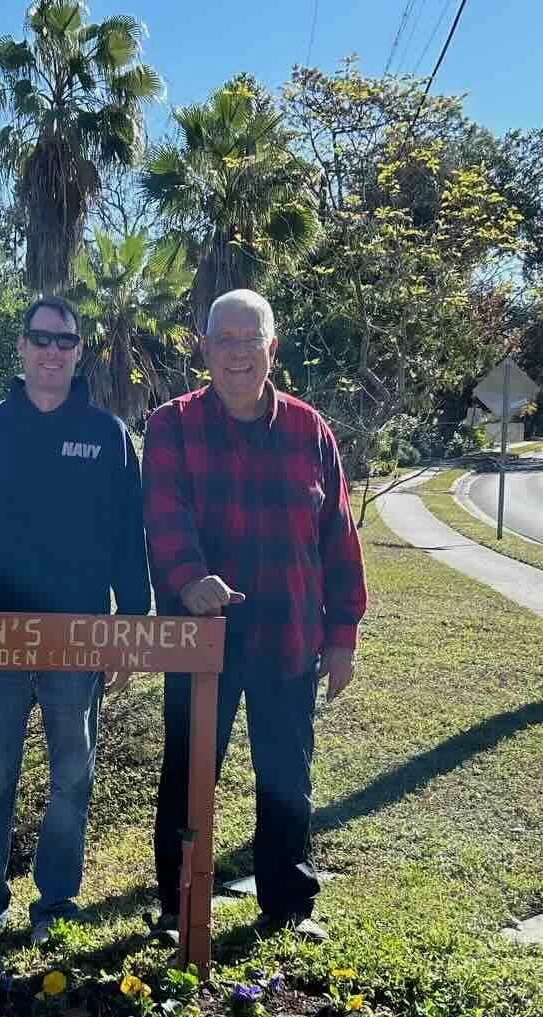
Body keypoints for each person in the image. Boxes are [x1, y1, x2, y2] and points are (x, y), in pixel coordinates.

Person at [144, 289, 368, 943]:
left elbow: (338, 537)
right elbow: (164, 516)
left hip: (289, 632)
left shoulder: (309, 429)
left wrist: (344, 634)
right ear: (205, 349)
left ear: (272, 348)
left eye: (251, 340)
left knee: (286, 772)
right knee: (188, 774)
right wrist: (189, 580)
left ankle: (289, 902)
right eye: (224, 340)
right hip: (199, 635)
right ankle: (176, 905)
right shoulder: (171, 425)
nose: (237, 353)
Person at [0, 295, 150, 950]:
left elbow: (125, 535)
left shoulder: (106, 433)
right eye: (41, 339)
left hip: (78, 635)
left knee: (72, 775)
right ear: (21, 348)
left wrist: (130, 622)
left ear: (79, 351)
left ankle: (56, 903)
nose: (53, 351)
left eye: (65, 341)